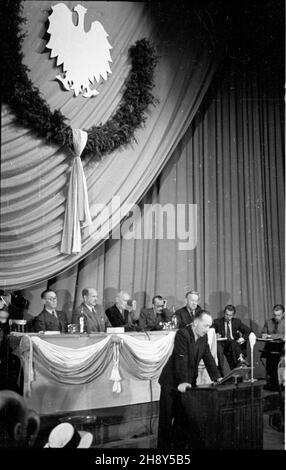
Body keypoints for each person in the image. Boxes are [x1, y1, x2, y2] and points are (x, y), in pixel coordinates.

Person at [157, 310, 221, 451]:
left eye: (209, 326)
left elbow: (208, 358)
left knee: (183, 420)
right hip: (172, 383)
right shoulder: (182, 334)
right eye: (205, 325)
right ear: (196, 323)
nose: (208, 329)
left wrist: (218, 378)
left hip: (187, 384)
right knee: (166, 422)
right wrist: (183, 381)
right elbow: (181, 360)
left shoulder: (203, 338)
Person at [213, 305, 251, 375]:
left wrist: (242, 338)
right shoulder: (217, 322)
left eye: (230, 315)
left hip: (233, 345)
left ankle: (239, 368)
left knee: (234, 343)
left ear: (233, 315)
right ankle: (220, 376)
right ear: (224, 313)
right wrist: (215, 335)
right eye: (227, 315)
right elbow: (210, 331)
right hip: (222, 344)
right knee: (219, 348)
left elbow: (248, 330)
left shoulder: (237, 322)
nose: (228, 317)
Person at [260, 304, 285, 390]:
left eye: (278, 315)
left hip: (282, 347)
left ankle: (280, 384)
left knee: (276, 363)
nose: (276, 317)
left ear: (283, 314)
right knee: (269, 365)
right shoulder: (268, 321)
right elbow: (263, 332)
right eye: (274, 315)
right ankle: (273, 384)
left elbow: (284, 335)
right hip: (270, 347)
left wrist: (271, 336)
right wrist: (263, 335)